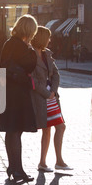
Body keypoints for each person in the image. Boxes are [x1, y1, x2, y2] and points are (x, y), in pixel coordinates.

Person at [0, 15, 38, 183]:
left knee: (11, 130)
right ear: (29, 30)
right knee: (16, 131)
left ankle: (13, 166)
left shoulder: (9, 43)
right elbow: (30, 65)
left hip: (8, 92)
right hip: (17, 93)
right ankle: (18, 169)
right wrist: (31, 50)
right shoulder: (22, 46)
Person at [31, 27, 72, 173]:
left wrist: (53, 91)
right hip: (41, 97)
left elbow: (56, 74)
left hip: (51, 97)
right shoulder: (31, 54)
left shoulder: (46, 54)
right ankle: (44, 162)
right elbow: (32, 79)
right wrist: (46, 93)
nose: (50, 40)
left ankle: (57, 161)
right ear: (42, 38)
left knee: (59, 126)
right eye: (48, 37)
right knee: (47, 129)